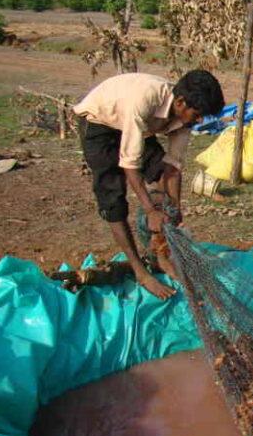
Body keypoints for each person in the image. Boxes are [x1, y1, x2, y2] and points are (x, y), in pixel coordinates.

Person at [74, 70, 225, 300]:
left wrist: (173, 209)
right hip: (99, 123)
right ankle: (140, 272)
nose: (200, 121)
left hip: (136, 129)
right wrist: (150, 210)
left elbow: (173, 166)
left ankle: (160, 256)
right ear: (181, 102)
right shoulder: (144, 99)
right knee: (113, 200)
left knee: (162, 180)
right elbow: (130, 164)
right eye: (198, 115)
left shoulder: (183, 118)